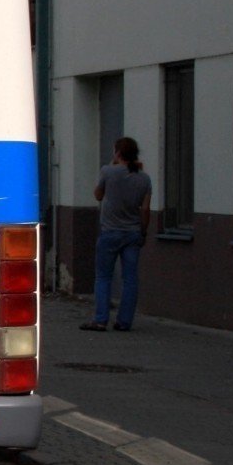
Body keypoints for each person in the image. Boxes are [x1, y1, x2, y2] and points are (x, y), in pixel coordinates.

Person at [83, 136, 151, 332]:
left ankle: (100, 319)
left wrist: (111, 165)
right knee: (130, 279)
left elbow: (98, 195)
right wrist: (143, 232)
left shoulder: (108, 171)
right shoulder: (144, 178)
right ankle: (124, 321)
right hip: (133, 233)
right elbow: (145, 209)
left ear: (118, 153)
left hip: (110, 232)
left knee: (103, 277)